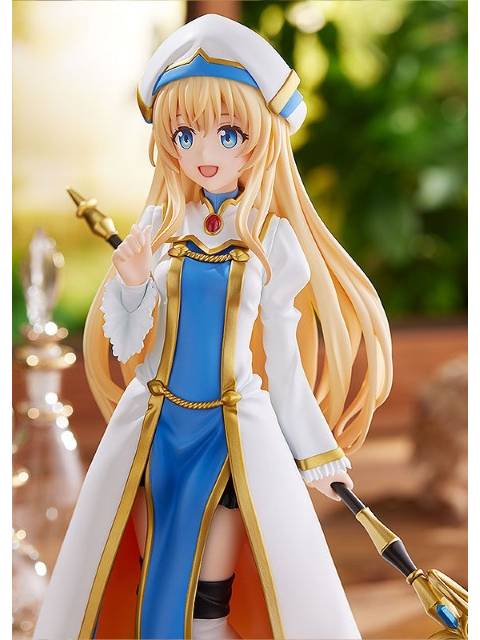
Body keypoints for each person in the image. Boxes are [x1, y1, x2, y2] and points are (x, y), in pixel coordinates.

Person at [34, 13, 392, 640]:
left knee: (207, 608)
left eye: (228, 134)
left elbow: (283, 361)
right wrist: (135, 281)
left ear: (260, 141)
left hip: (230, 435)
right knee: (150, 586)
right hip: (154, 429)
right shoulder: (159, 230)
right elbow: (129, 340)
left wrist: (318, 454)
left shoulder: (273, 243)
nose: (204, 154)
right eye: (185, 134)